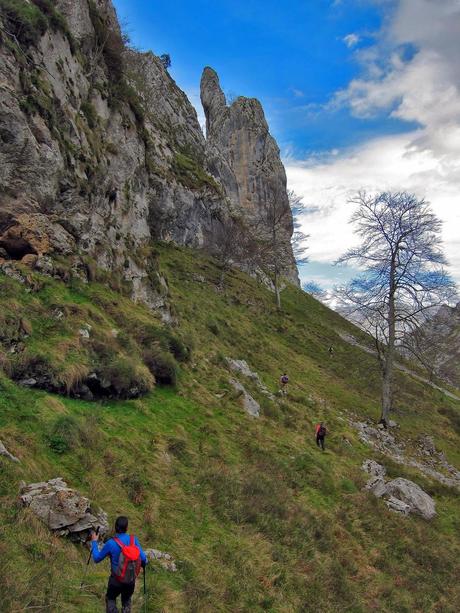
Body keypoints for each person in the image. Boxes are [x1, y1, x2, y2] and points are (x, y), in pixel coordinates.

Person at [92, 516, 148, 613]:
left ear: (115, 527)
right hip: (130, 580)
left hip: (116, 580)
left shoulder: (111, 543)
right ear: (127, 528)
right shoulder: (133, 540)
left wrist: (94, 542)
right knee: (126, 601)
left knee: (111, 599)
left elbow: (96, 558)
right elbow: (144, 559)